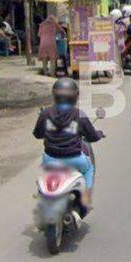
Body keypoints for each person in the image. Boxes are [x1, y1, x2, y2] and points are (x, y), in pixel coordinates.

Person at [33, 78, 103, 208]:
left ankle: (42, 194)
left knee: (43, 172)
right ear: (75, 97)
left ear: (55, 95)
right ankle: (86, 196)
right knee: (89, 169)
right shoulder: (78, 114)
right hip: (74, 159)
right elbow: (92, 136)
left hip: (50, 160)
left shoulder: (45, 113)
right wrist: (99, 134)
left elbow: (37, 134)